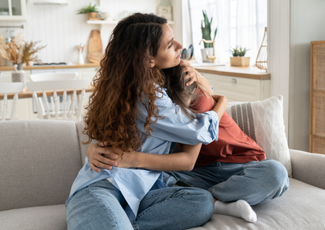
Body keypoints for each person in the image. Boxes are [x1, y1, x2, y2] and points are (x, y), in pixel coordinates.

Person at [66, 13, 228, 230]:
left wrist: (198, 78)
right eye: (170, 44)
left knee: (201, 202)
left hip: (143, 192)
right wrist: (224, 102)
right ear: (148, 59)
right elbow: (200, 130)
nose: (180, 46)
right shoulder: (147, 95)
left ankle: (123, 221)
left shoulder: (135, 87)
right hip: (104, 187)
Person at [88, 64, 289, 223]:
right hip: (195, 174)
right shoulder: (151, 103)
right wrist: (94, 149)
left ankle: (213, 199)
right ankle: (217, 200)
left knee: (276, 173)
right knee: (147, 179)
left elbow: (194, 144)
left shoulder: (191, 93)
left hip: (241, 164)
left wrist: (216, 96)